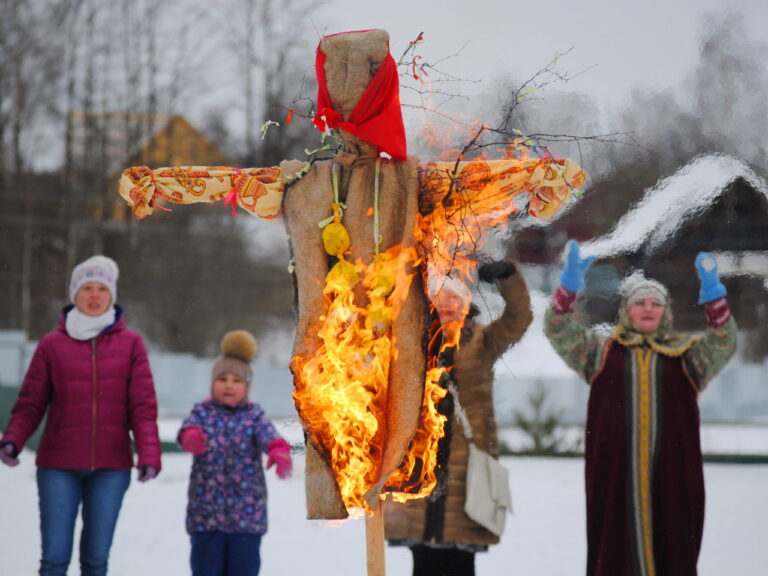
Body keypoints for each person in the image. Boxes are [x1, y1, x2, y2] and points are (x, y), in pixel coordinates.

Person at [543, 240, 737, 576]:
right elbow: (557, 327)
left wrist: (713, 293)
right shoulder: (602, 352)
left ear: (666, 311)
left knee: (673, 548)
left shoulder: (687, 356)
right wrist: (569, 286)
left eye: (656, 303)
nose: (648, 308)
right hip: (617, 478)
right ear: (626, 310)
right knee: (616, 552)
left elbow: (724, 340)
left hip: (673, 479)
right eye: (640, 303)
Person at [0, 255, 162, 576]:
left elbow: (142, 407)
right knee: (54, 560)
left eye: (102, 288)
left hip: (111, 468)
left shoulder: (131, 344)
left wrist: (149, 453)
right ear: (75, 294)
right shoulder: (52, 344)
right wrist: (13, 439)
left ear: (111, 296)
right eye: (87, 287)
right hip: (57, 467)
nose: (94, 295)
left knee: (95, 561)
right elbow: (31, 401)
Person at [384, 260, 533, 576]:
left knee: (461, 563)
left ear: (467, 305)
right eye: (442, 299)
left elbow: (519, 319)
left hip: (467, 468)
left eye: (456, 299)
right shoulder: (411, 343)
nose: (449, 306)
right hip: (420, 463)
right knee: (422, 559)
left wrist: (509, 279)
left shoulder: (483, 343)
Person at [178, 329, 293, 576]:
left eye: (236, 380)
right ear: (212, 383)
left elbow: (268, 436)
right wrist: (190, 437)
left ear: (247, 386)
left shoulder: (254, 415)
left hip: (246, 519)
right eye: (223, 379)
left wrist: (278, 450)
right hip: (205, 517)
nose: (229, 385)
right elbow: (188, 430)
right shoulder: (202, 412)